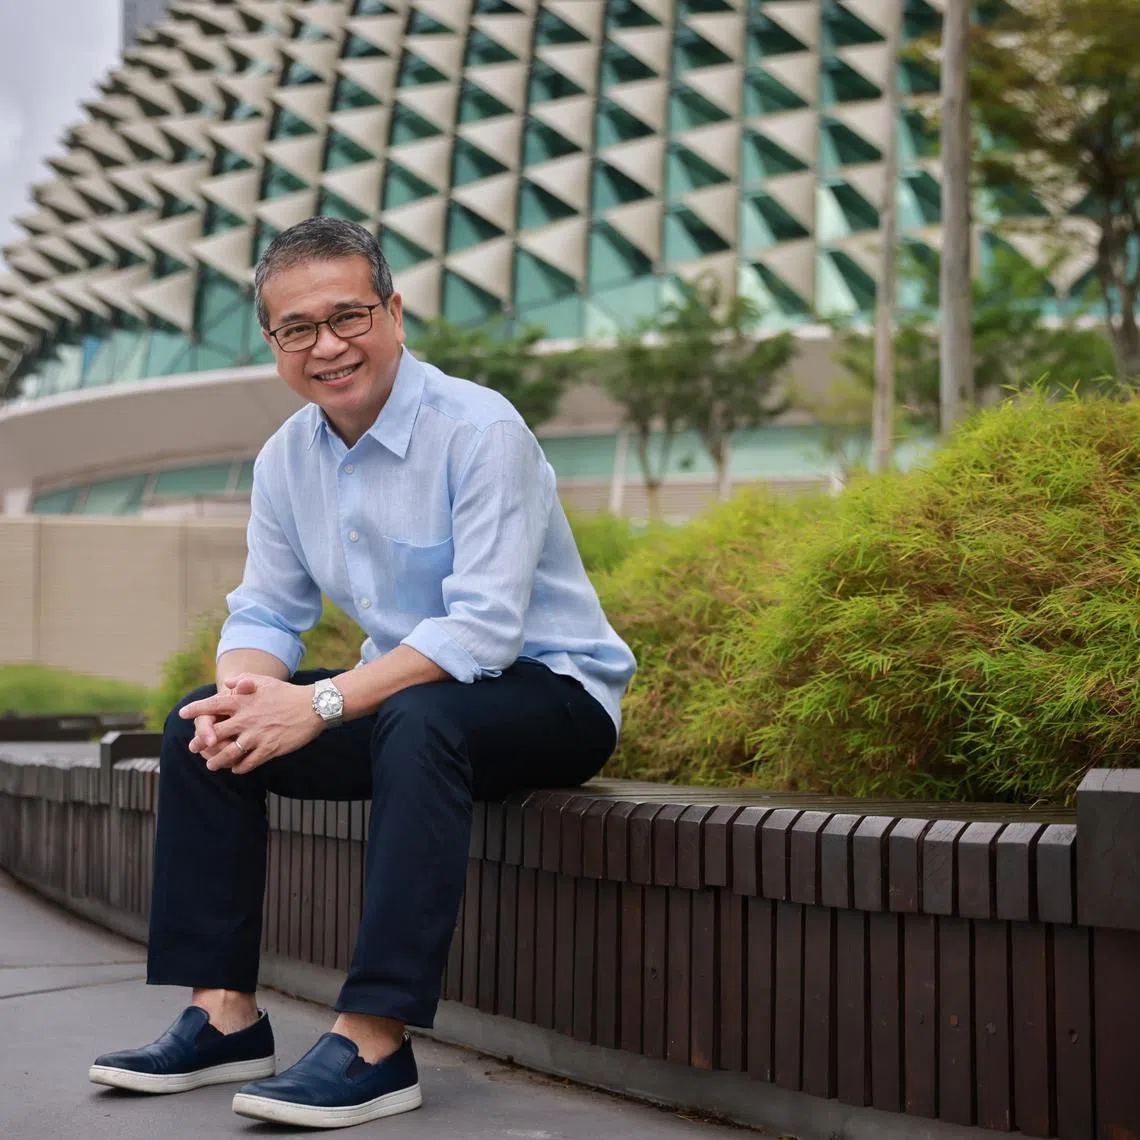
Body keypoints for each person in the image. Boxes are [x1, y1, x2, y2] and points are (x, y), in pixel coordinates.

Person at [87, 217, 637, 1129]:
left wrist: (323, 702)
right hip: (410, 696)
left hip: (551, 693)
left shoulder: (478, 429)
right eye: (297, 329)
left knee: (423, 722)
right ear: (273, 344)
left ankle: (375, 1041)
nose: (328, 346)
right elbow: (265, 611)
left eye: (349, 316)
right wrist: (250, 696)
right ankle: (223, 1014)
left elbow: (486, 631)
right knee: (203, 725)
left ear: (394, 311)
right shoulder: (286, 459)